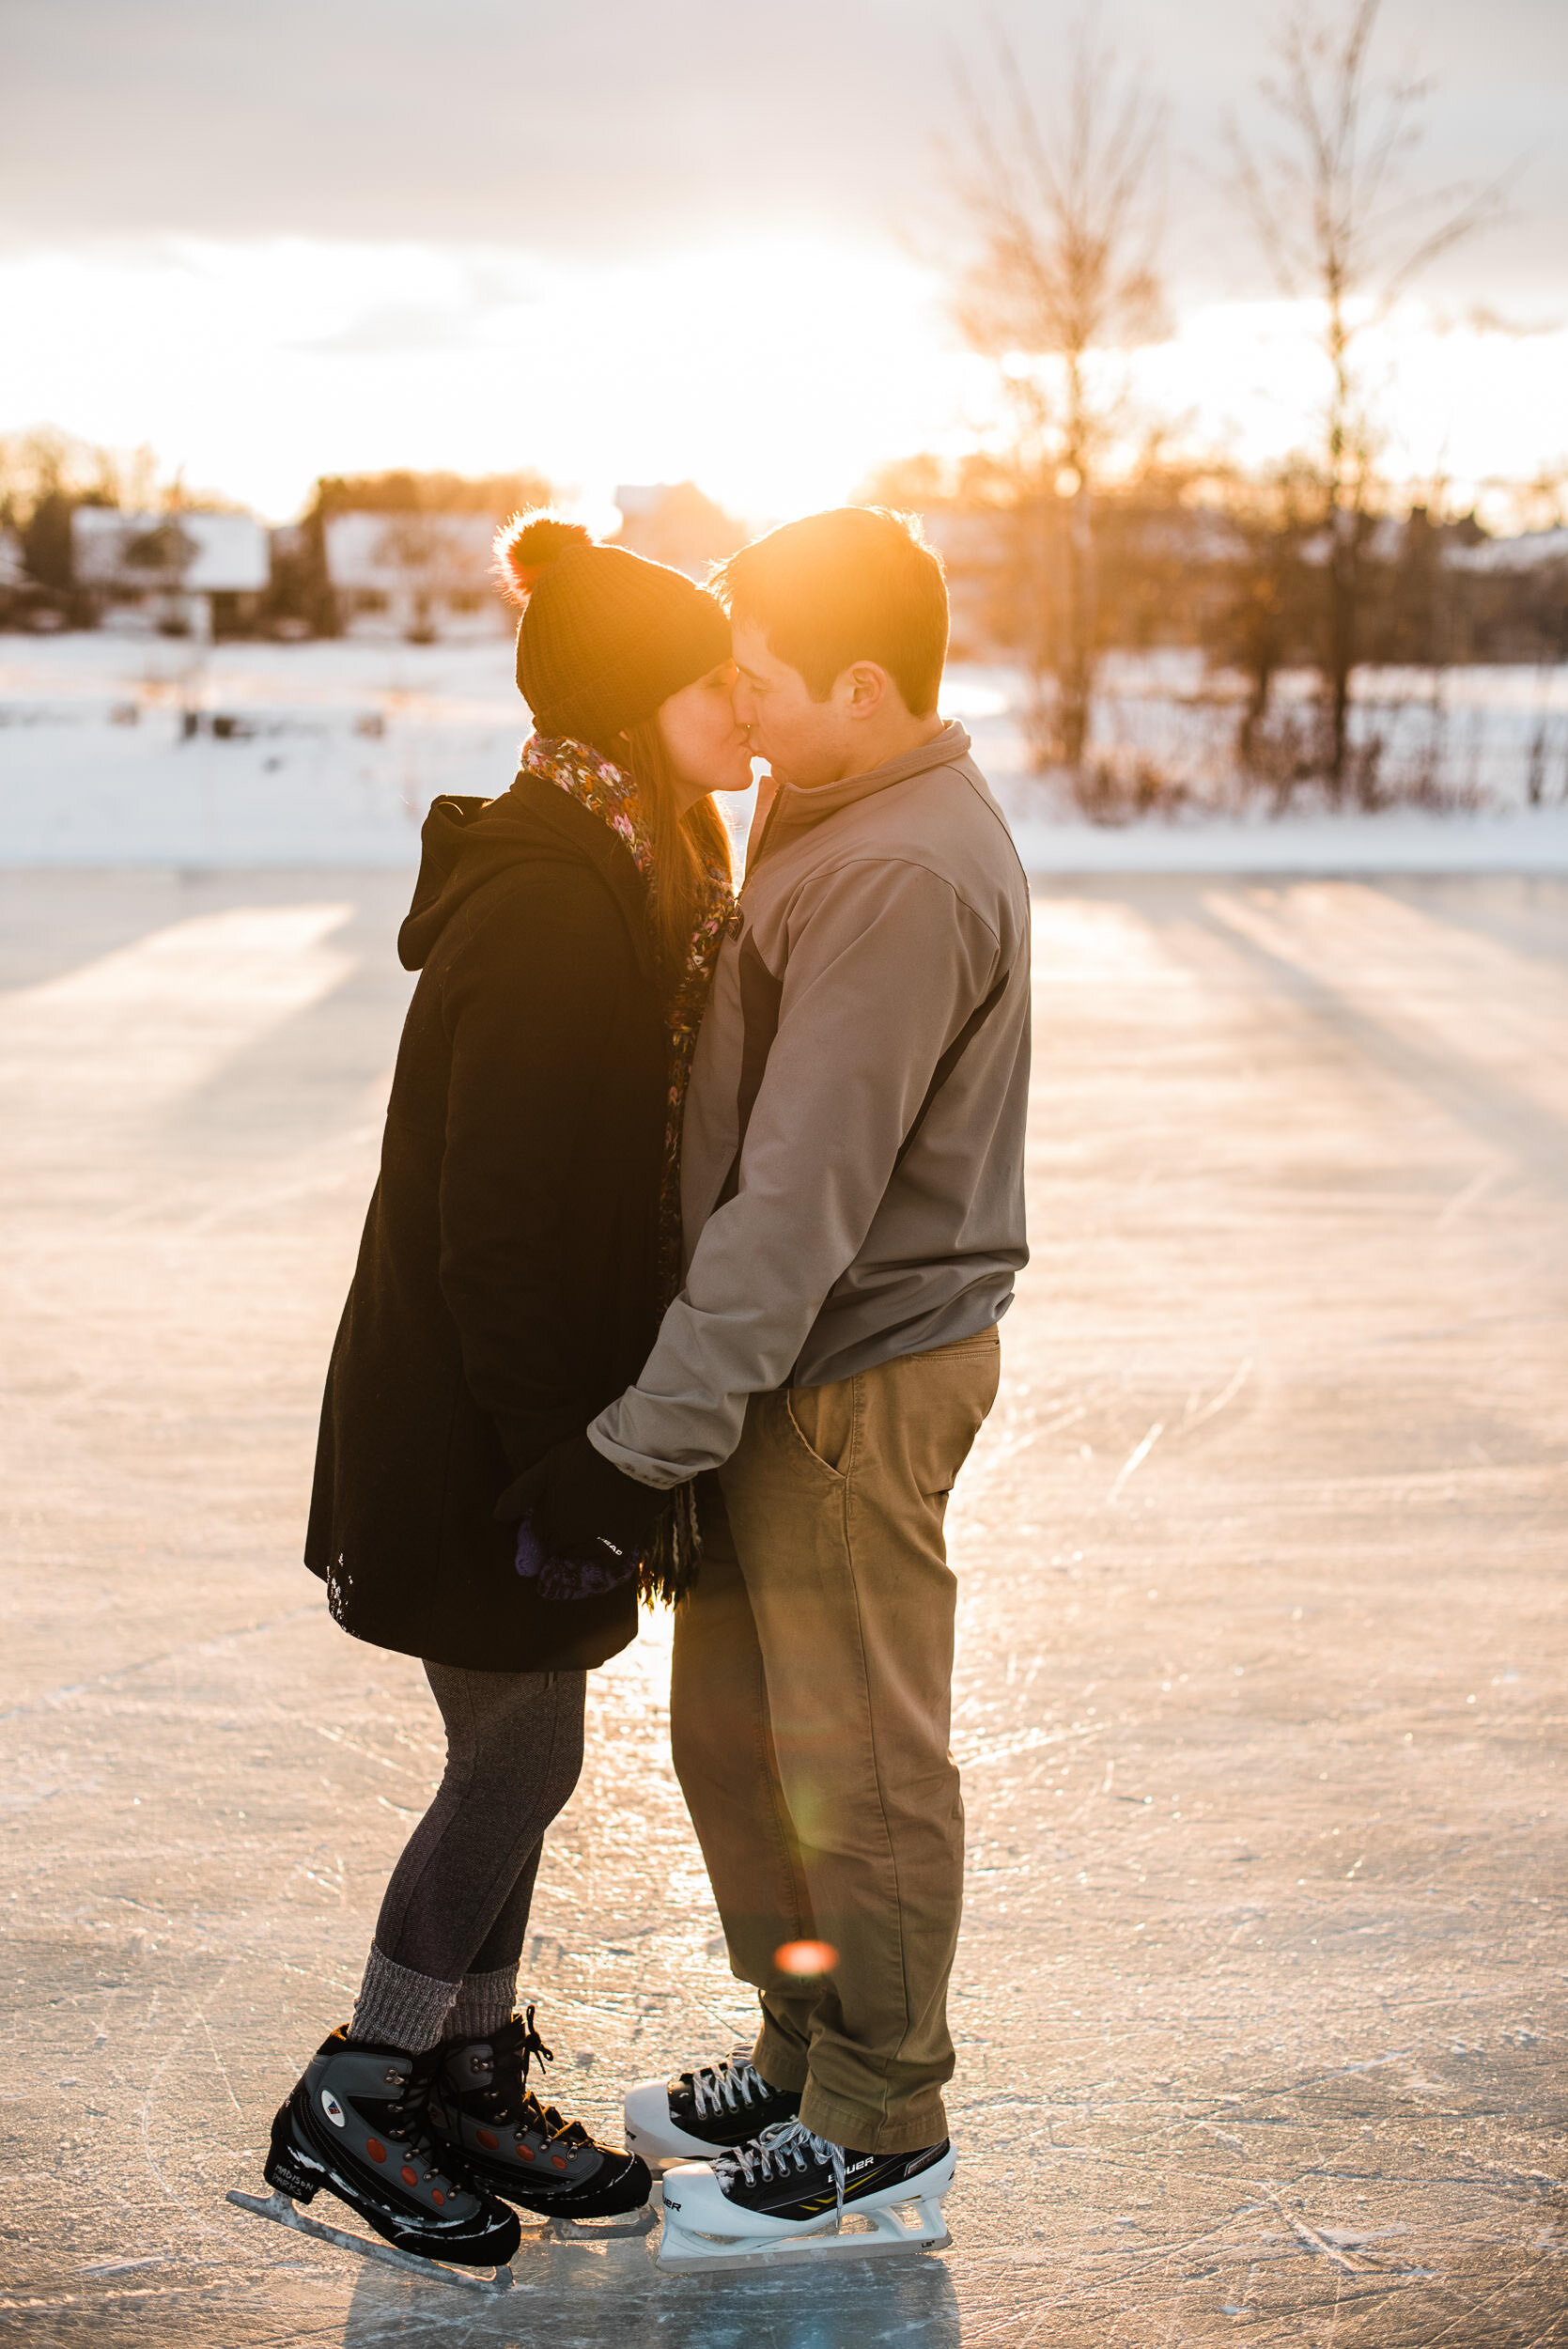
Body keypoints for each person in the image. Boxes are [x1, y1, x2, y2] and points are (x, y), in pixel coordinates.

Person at [517, 506, 1032, 2253]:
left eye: (756, 676)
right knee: (740, 1738)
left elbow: (802, 1200)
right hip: (771, 1373)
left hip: (847, 1374)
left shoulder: (894, 871)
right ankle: (808, 2042)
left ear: (863, 686)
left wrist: (640, 1433)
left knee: (855, 1756)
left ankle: (883, 2115)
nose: (730, 706)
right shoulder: (826, 808)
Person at [252, 517, 753, 2271]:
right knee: (524, 1749)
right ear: (636, 704)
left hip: (516, 1415)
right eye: (717, 689)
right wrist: (567, 1458)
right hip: (479, 1423)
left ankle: (464, 2063)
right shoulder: (556, 905)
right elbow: (502, 1230)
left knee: (519, 1745)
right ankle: (367, 2079)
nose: (749, 719)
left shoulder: (626, 861)